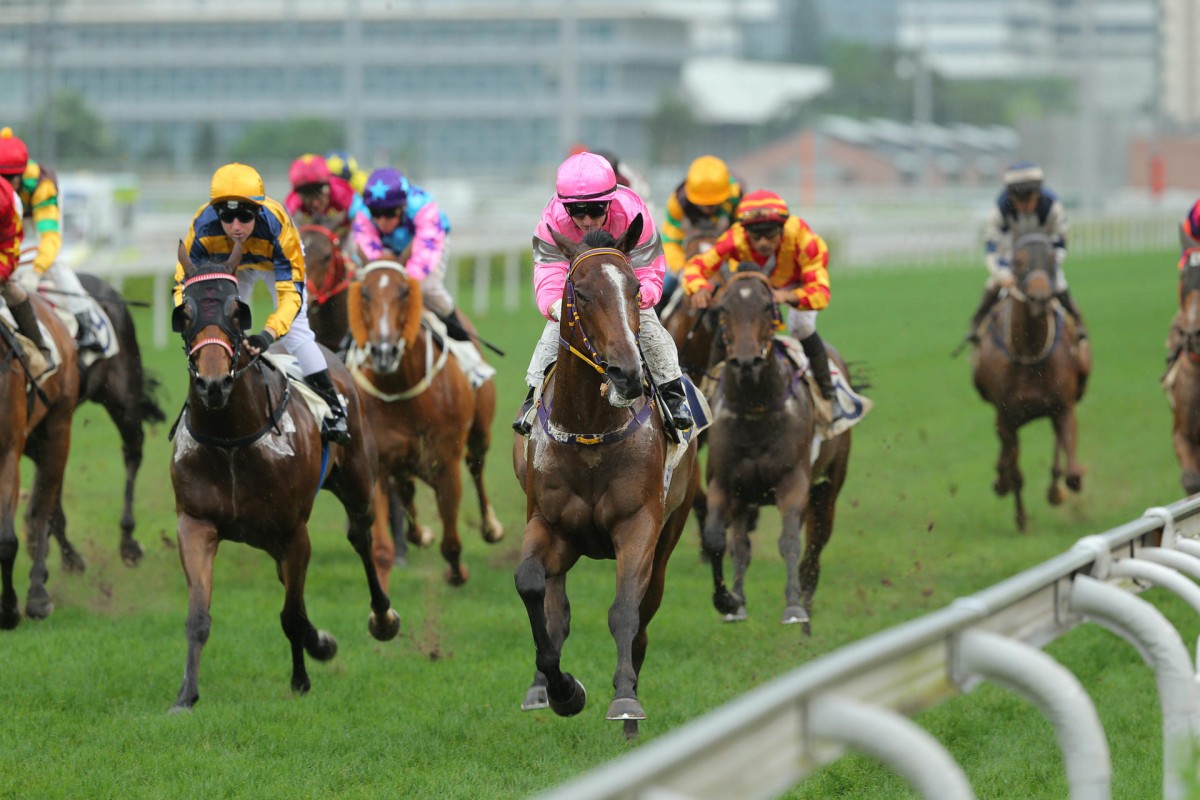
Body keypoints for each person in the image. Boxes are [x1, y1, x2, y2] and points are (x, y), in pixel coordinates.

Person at [513, 150, 694, 435]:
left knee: (651, 330)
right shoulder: (552, 221)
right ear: (565, 208)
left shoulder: (633, 212)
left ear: (610, 201)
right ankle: (532, 400)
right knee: (552, 335)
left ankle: (674, 396)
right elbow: (548, 270)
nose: (587, 220)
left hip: (623, 288)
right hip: (581, 294)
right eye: (577, 212)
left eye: (596, 210)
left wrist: (637, 298)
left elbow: (649, 267)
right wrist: (555, 306)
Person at [174, 162, 350, 444]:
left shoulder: (278, 227)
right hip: (232, 263)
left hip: (274, 263)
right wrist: (190, 316)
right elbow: (183, 284)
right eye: (227, 217)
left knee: (296, 333)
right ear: (216, 214)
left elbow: (291, 296)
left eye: (244, 217)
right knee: (217, 323)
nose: (236, 227)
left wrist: (268, 334)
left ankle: (334, 407)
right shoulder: (202, 227)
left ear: (257, 211)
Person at [682, 189, 841, 422]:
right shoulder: (734, 237)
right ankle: (709, 391)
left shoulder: (806, 240)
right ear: (745, 232)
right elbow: (696, 266)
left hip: (794, 286)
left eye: (770, 234)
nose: (763, 242)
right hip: (756, 290)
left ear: (783, 229)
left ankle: (827, 394)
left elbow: (820, 293)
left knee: (802, 328)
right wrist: (699, 288)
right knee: (728, 325)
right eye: (755, 236)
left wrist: (788, 296)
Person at [0, 126, 106, 353]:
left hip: (36, 218)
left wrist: (36, 272)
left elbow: (49, 238)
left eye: (7, 181)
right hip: (11, 220)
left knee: (54, 263)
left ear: (18, 178)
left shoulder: (42, 187)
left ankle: (86, 320)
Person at [963, 161, 1083, 345]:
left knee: (1059, 283)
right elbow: (992, 247)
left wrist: (1049, 265)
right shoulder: (1000, 209)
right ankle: (976, 324)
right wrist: (1003, 274)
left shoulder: (1052, 206)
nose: (1024, 205)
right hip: (1013, 258)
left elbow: (1060, 241)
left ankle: (1077, 323)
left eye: (1028, 199)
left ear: (1038, 194)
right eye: (1018, 200)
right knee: (993, 283)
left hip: (1044, 259)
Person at [352, 166, 471, 341]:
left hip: (430, 243)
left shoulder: (423, 208)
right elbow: (370, 256)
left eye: (389, 213)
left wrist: (400, 282)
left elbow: (423, 259)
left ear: (403, 206)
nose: (382, 221)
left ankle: (461, 338)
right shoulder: (363, 212)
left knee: (428, 288)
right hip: (390, 248)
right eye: (375, 214)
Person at [660, 154, 745, 300]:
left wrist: (733, 266)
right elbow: (671, 241)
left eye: (713, 204)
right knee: (664, 286)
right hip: (688, 258)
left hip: (726, 257)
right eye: (703, 204)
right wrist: (681, 269)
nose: (708, 209)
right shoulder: (678, 202)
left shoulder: (737, 197)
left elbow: (744, 237)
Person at [0, 169, 52, 374]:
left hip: (7, 255)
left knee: (13, 290)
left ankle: (40, 350)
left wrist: (37, 270)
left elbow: (9, 248)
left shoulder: (8, 198)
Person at [285, 153, 371, 261]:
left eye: (319, 193)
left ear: (329, 187)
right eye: (307, 195)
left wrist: (353, 258)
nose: (315, 203)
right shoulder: (292, 204)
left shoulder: (343, 193)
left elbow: (364, 221)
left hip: (344, 236)